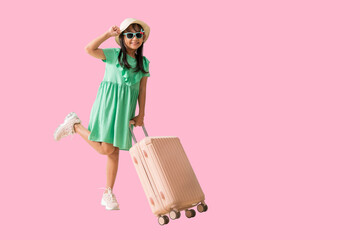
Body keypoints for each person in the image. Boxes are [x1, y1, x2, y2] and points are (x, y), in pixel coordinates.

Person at [53, 18, 151, 211]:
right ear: (122, 38)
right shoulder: (114, 54)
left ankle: (108, 192)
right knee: (106, 150)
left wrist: (141, 114)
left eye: (138, 35)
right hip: (108, 105)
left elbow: (142, 90)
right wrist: (107, 34)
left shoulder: (144, 63)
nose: (134, 38)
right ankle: (75, 125)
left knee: (114, 152)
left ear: (143, 38)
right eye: (129, 35)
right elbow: (89, 49)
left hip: (126, 109)